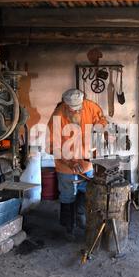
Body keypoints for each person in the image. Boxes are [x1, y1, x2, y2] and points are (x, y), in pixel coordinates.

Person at [47, 88, 108, 240]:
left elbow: (102, 119)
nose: (77, 111)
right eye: (73, 109)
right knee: (67, 196)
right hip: (65, 165)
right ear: (65, 105)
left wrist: (98, 128)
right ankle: (68, 227)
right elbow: (52, 146)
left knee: (86, 193)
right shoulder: (57, 116)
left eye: (79, 108)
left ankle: (80, 218)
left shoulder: (90, 106)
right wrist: (69, 162)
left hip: (86, 163)